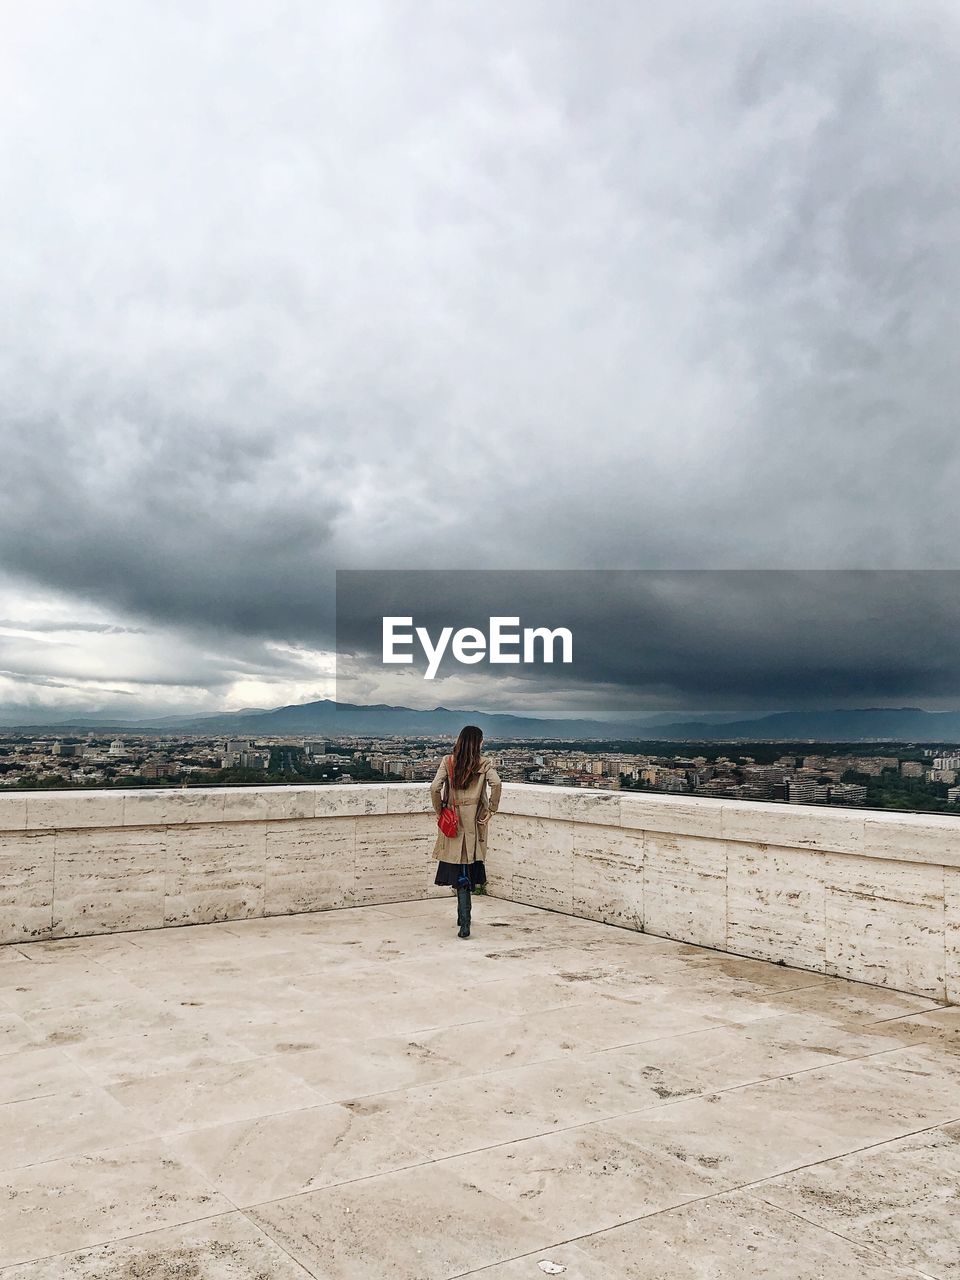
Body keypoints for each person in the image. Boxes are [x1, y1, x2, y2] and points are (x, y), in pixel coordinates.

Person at [430, 725, 502, 938]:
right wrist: (491, 809)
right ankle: (465, 920)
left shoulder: (448, 761)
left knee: (458, 867)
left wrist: (439, 810)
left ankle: (463, 919)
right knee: (468, 865)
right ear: (477, 742)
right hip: (474, 821)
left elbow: (435, 787)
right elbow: (496, 784)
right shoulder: (484, 763)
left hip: (452, 820)